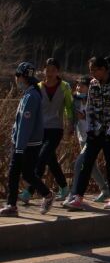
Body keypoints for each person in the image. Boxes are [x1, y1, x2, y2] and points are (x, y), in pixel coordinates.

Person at [64, 57, 110, 211]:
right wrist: (91, 128)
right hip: (95, 131)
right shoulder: (92, 84)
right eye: (90, 70)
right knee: (86, 163)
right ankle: (78, 197)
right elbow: (90, 107)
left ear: (103, 69)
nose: (91, 73)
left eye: (94, 70)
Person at [1, 63, 54, 217]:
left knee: (14, 174)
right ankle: (47, 194)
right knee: (28, 174)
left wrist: (19, 147)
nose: (16, 80)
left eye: (17, 77)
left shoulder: (31, 96)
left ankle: (12, 206)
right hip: (28, 143)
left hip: (25, 144)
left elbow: (26, 124)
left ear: (22, 77)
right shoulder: (30, 93)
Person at [20, 58, 72, 203]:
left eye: (53, 70)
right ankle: (64, 187)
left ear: (58, 71)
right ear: (43, 71)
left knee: (42, 158)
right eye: (47, 70)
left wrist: (70, 125)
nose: (50, 73)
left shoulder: (65, 86)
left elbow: (69, 107)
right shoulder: (38, 87)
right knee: (51, 160)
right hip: (40, 129)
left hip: (56, 129)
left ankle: (29, 192)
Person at [64, 76, 110, 204]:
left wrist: (85, 117)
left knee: (79, 163)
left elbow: (101, 118)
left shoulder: (95, 100)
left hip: (93, 137)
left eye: (82, 86)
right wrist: (70, 128)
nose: (79, 88)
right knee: (91, 165)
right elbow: (72, 116)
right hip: (82, 136)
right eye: (78, 85)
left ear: (90, 88)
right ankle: (105, 189)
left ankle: (73, 194)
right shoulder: (76, 100)